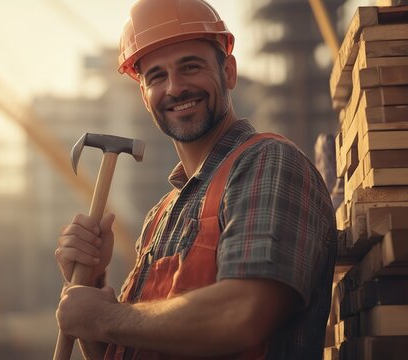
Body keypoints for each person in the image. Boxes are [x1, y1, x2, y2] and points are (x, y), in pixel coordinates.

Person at [54, 0, 337, 359]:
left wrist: (104, 316)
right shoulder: (161, 216)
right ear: (144, 95)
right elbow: (127, 346)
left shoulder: (268, 163)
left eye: (190, 66)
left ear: (229, 71)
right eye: (156, 76)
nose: (175, 88)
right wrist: (92, 282)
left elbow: (243, 315)